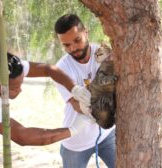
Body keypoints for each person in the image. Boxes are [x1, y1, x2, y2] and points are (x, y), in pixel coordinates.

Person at [54, 14, 116, 168]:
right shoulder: (61, 68)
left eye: (77, 40)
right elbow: (75, 104)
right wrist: (87, 109)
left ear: (86, 33)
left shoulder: (103, 54)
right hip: (76, 142)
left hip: (107, 135)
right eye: (66, 45)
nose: (73, 48)